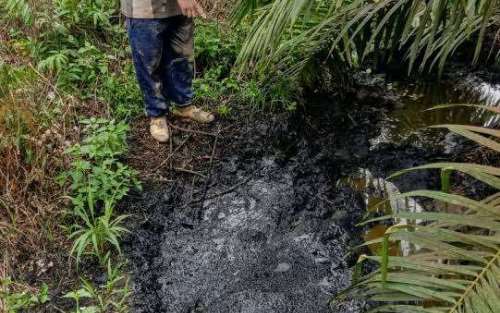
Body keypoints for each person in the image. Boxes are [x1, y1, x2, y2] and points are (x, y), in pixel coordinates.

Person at [121, 0, 215, 142]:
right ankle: (157, 115)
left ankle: (183, 106)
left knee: (182, 58)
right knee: (148, 65)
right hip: (145, 9)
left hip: (178, 9)